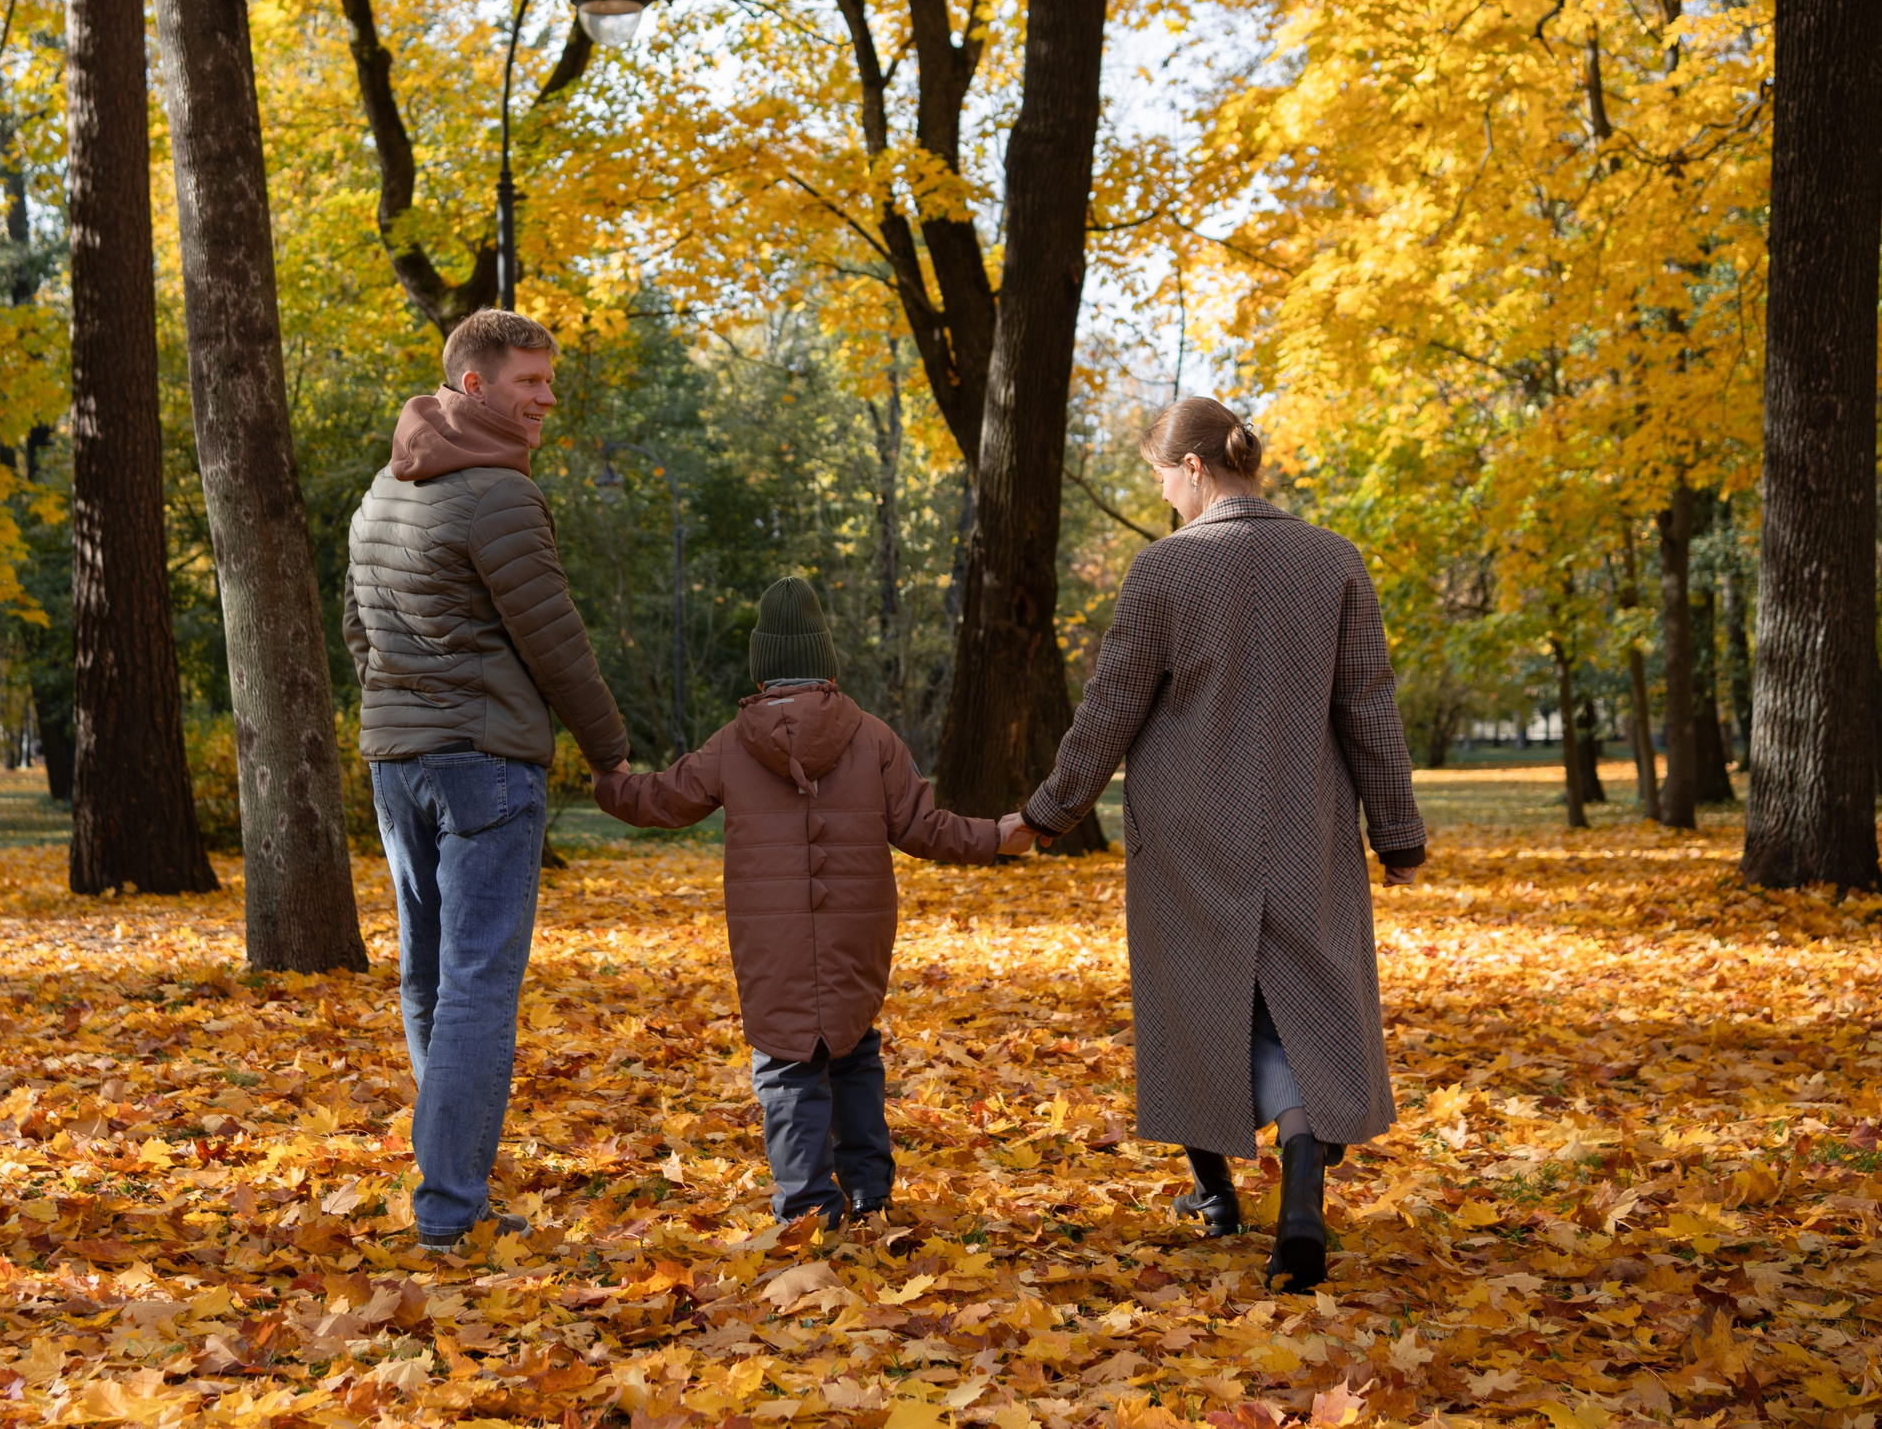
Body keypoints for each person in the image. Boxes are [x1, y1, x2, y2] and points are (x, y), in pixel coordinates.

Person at [1016, 396, 1424, 1291]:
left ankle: (1215, 1194)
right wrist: (1398, 834)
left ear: (1194, 468)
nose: (1163, 495)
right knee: (1301, 1013)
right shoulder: (1335, 562)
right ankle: (1302, 1206)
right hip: (1306, 828)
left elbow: (1111, 709)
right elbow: (1369, 708)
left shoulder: (1164, 571)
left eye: (1163, 477)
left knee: (1197, 1006)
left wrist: (1051, 810)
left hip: (1190, 837)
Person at [594, 577, 1036, 1227]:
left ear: (764, 664)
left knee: (786, 1064)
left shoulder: (731, 744)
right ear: (825, 660)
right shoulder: (873, 738)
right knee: (854, 1051)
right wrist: (996, 835)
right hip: (858, 933)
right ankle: (868, 1189)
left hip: (770, 942)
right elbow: (924, 827)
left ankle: (806, 1205)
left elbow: (662, 798)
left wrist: (610, 779)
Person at [344, 308, 630, 1253]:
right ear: (474, 386)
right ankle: (450, 1207)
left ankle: (448, 1189)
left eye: (549, 382)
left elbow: (358, 631)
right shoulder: (498, 495)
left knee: (427, 975)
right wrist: (610, 752)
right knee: (474, 984)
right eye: (530, 383)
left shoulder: (383, 489)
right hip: (485, 766)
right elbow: (557, 644)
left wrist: (399, 711)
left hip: (398, 764)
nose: (548, 399)